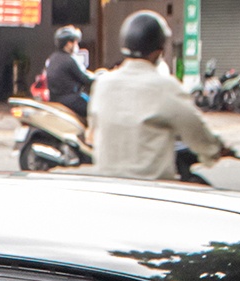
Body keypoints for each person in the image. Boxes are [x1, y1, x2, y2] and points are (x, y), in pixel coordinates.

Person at [88, 11, 226, 181]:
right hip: (152, 191)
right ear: (159, 50)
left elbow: (92, 132)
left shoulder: (102, 84)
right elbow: (195, 129)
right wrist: (213, 150)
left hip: (108, 188)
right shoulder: (165, 87)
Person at [44, 25, 92, 120]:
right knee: (96, 108)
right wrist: (99, 77)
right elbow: (85, 79)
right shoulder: (70, 60)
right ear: (69, 43)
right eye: (75, 42)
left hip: (55, 99)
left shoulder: (53, 58)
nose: (77, 44)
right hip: (71, 100)